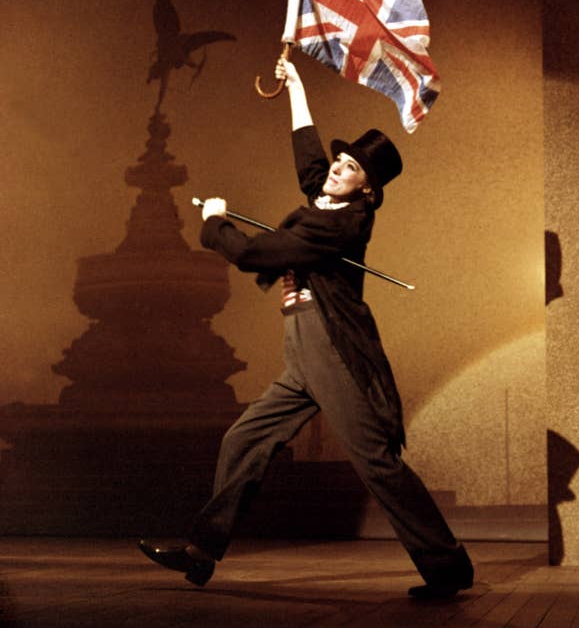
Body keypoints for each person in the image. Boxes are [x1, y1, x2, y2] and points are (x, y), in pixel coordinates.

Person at [139, 58, 474, 598]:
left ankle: (448, 567)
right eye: (341, 159)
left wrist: (214, 224)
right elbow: (311, 163)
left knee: (376, 463)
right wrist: (296, 88)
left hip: (331, 346)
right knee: (245, 439)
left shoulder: (342, 222)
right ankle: (201, 553)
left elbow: (255, 254)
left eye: (352, 167)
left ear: (367, 189)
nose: (338, 168)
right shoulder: (329, 197)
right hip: (302, 347)